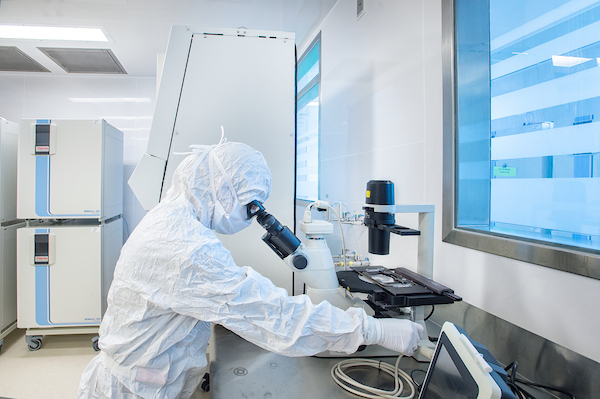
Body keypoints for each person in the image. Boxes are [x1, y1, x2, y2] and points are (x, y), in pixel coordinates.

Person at [78, 138, 424, 398]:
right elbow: (274, 316)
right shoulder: (184, 247)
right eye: (249, 204)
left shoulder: (174, 221)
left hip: (143, 380)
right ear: (220, 188)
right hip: (134, 391)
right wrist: (373, 331)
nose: (250, 216)